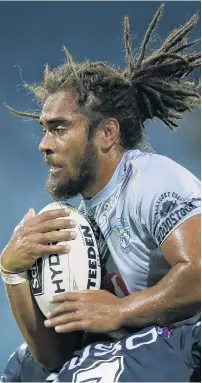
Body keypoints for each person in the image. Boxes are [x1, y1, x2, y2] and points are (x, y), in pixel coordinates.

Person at [1, 4, 201, 382]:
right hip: (135, 343)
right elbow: (54, 357)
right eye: (44, 129)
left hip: (187, 342)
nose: (43, 144)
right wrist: (12, 273)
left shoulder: (151, 178)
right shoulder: (78, 219)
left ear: (107, 133)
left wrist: (121, 311)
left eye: (59, 129)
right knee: (21, 369)